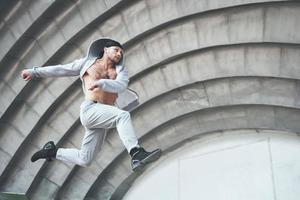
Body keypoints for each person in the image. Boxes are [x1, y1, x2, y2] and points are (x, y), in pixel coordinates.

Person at [21, 38, 161, 172]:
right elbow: (61, 69)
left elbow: (121, 85)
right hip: (90, 109)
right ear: (105, 49)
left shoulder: (120, 72)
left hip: (103, 115)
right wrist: (34, 72)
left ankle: (52, 151)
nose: (119, 54)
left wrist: (102, 83)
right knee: (122, 116)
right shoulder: (87, 64)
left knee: (85, 159)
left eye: (121, 53)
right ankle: (136, 153)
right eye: (116, 50)